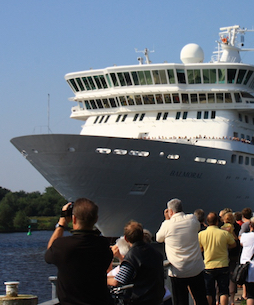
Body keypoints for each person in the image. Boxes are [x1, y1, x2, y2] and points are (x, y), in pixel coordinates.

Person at [45, 198, 113, 305]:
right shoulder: (103, 244)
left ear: (74, 219)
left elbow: (48, 254)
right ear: (96, 219)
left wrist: (61, 223)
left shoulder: (62, 245)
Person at [156, 198, 208, 305]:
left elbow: (158, 238)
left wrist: (167, 220)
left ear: (170, 211)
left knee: (180, 301)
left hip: (178, 270)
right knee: (201, 299)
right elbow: (198, 227)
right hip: (195, 268)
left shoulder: (167, 224)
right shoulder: (192, 219)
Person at [108, 220, 165, 305]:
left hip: (142, 300)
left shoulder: (132, 256)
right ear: (142, 236)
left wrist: (99, 279)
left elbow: (117, 281)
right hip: (157, 298)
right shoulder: (155, 252)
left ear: (126, 239)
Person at [198, 212, 236, 305]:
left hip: (208, 265)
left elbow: (200, 249)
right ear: (217, 222)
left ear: (207, 221)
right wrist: (225, 247)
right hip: (223, 264)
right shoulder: (224, 233)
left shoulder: (201, 234)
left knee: (209, 292)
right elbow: (233, 244)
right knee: (224, 291)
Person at [240, 217, 254, 305]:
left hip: (249, 268)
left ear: (250, 226)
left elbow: (241, 242)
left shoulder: (245, 236)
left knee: (251, 295)